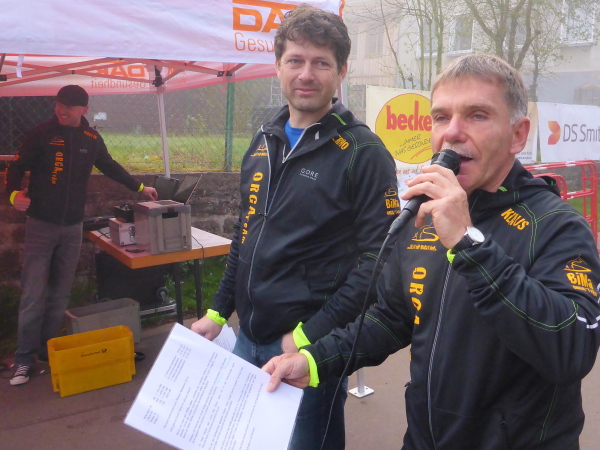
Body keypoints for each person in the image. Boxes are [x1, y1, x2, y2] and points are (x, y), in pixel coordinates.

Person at [264, 53, 600, 449]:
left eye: (477, 115)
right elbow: (392, 316)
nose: (452, 133)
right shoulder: (424, 213)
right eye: (441, 117)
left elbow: (572, 349)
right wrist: (315, 360)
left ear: (518, 135)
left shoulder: (557, 225)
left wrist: (468, 241)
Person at [190, 4, 399, 449]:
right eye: (296, 60)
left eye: (321, 63)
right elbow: (246, 235)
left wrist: (309, 334)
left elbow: (378, 261)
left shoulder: (363, 152)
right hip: (246, 338)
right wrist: (218, 312)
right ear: (278, 66)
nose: (306, 74)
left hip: (304, 347)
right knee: (249, 441)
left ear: (341, 71)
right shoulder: (263, 139)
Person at [6, 84, 158, 386]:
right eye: (59, 105)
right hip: (40, 225)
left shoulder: (90, 138)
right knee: (33, 294)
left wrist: (140, 188)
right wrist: (13, 195)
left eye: (69, 107)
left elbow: (110, 166)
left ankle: (47, 351)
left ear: (84, 110)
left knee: (60, 294)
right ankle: (23, 359)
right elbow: (16, 167)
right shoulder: (41, 134)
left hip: (73, 227)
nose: (61, 111)